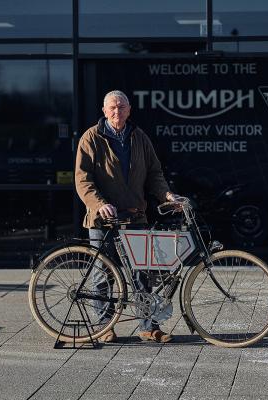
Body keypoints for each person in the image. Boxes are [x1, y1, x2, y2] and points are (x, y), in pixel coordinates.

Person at [75, 90, 180, 343]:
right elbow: (82, 179)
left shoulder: (139, 137)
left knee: (141, 273)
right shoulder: (91, 138)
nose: (117, 111)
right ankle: (104, 326)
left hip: (135, 216)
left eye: (121, 107)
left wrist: (166, 195)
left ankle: (148, 326)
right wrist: (99, 204)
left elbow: (154, 173)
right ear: (104, 110)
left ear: (129, 110)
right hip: (103, 219)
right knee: (103, 273)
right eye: (112, 107)